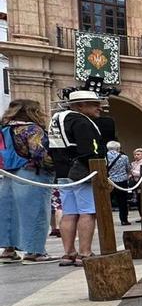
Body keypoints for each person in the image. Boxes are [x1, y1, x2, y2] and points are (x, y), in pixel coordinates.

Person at [47, 90, 105, 265]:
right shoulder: (81, 121)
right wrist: (99, 170)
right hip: (82, 172)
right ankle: (84, 252)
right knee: (88, 212)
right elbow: (89, 149)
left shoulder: (56, 119)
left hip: (63, 172)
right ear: (80, 105)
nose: (99, 108)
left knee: (69, 213)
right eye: (95, 104)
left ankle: (68, 253)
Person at [0, 99, 55, 263]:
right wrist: (55, 165)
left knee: (9, 212)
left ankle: (8, 250)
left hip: (8, 173)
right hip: (31, 173)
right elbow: (39, 153)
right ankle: (35, 252)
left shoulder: (4, 128)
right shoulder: (31, 129)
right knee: (36, 212)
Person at [105, 141, 133, 225]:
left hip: (109, 181)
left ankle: (106, 220)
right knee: (122, 201)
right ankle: (124, 220)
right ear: (118, 148)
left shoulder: (104, 156)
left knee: (107, 201)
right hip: (122, 181)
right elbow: (128, 168)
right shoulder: (124, 157)